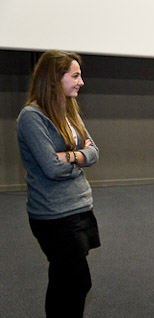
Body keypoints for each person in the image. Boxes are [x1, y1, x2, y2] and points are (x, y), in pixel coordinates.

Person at [16, 50, 100, 317]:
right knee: (74, 282)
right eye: (75, 76)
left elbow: (94, 152)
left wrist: (71, 156)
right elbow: (51, 168)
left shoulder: (68, 110)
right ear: (54, 78)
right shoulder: (32, 117)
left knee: (68, 282)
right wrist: (79, 158)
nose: (81, 82)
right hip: (54, 215)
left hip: (78, 208)